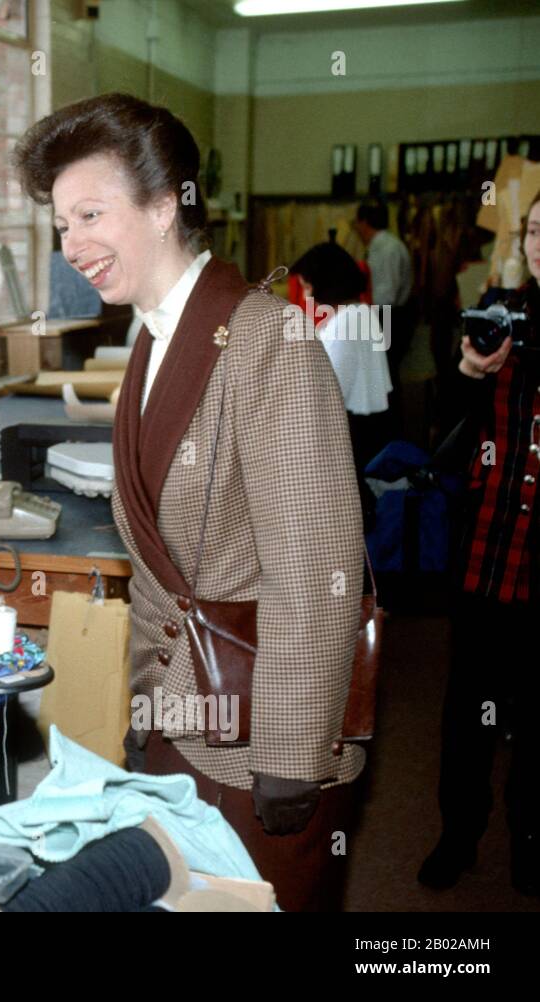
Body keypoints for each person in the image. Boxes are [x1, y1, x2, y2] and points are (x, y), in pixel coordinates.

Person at [13, 92, 366, 910]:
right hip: (179, 719)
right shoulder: (153, 335)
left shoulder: (266, 339)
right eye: (63, 225)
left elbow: (316, 569)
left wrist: (293, 751)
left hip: (262, 735)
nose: (74, 245)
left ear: (167, 204)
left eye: (92, 214)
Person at [418, 191, 540, 897]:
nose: (539, 240)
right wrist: (468, 372)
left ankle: (530, 839)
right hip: (487, 552)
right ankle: (457, 835)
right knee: (467, 716)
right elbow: (454, 427)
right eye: (532, 229)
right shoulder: (500, 311)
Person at [289, 241, 393, 515]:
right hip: (368, 429)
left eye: (308, 287)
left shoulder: (346, 322)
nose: (306, 296)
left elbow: (325, 389)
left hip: (353, 436)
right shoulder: (359, 312)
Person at [354, 200, 414, 419]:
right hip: (385, 315)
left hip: (387, 317)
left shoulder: (386, 249)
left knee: (384, 376)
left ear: (363, 222)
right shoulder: (385, 246)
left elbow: (385, 296)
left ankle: (385, 429)